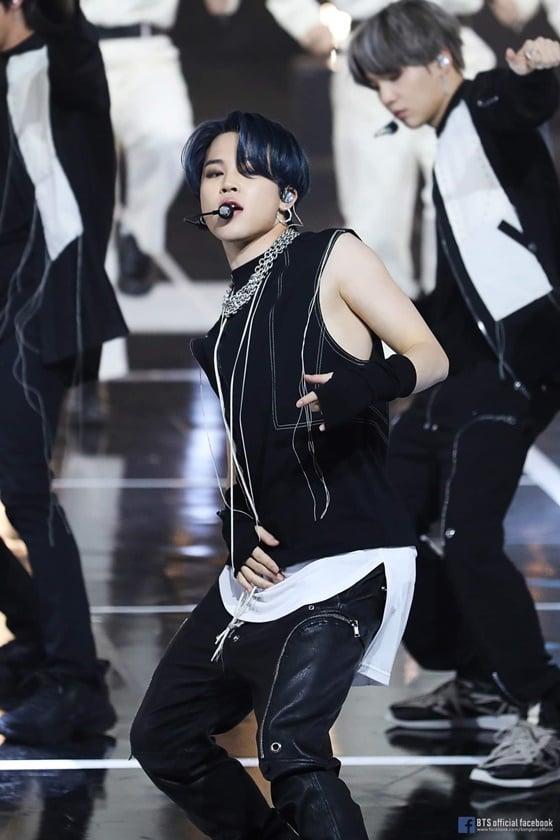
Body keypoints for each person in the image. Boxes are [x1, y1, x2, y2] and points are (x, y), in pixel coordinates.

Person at [130, 111, 448, 838]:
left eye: (247, 171)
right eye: (213, 173)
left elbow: (430, 355)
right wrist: (236, 523)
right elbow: (243, 451)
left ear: (287, 193)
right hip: (264, 574)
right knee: (163, 737)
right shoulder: (220, 334)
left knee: (293, 751)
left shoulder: (331, 256)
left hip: (349, 556)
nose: (226, 185)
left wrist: (365, 384)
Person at [348, 0, 560, 788]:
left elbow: (523, 99)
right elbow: (457, 290)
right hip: (468, 369)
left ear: (441, 59)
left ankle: (546, 713)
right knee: (378, 523)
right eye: (374, 85)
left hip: (518, 365)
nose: (386, 96)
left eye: (394, 76)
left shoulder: (482, 104)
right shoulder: (448, 141)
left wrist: (537, 69)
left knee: (470, 539)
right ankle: (479, 672)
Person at [0, 0, 127, 743]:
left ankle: (77, 683)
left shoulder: (62, 62)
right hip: (6, 303)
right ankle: (39, 638)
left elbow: (70, 29)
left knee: (23, 487)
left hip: (41, 306)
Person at [264, 0, 498, 299]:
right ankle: (386, 319)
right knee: (374, 206)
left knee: (464, 198)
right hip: (372, 48)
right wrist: (305, 22)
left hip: (453, 45)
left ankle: (458, 310)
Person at [80, 0, 236, 297]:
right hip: (73, 46)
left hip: (147, 49)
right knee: (82, 174)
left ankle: (139, 236)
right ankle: (93, 282)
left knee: (169, 138)